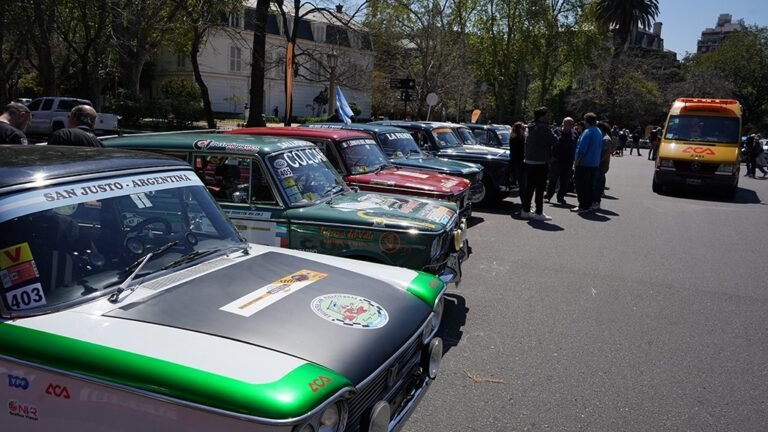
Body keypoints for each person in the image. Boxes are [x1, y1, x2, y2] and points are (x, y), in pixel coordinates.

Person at [519, 106, 555, 221]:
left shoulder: (531, 126)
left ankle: (525, 210)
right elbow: (554, 141)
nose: (549, 117)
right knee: (540, 188)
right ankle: (539, 212)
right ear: (542, 116)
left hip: (529, 160)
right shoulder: (543, 127)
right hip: (540, 161)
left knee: (530, 187)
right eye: (548, 115)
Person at [572, 113, 602, 214]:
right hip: (594, 163)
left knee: (581, 186)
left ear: (586, 121)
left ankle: (582, 206)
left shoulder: (587, 132)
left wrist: (576, 162)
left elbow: (581, 149)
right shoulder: (598, 131)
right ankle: (588, 205)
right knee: (589, 186)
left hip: (584, 163)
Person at [545, 117, 576, 205]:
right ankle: (548, 196)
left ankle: (560, 197)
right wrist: (550, 156)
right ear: (563, 124)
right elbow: (549, 144)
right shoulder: (556, 131)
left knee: (565, 180)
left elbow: (576, 145)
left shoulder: (574, 133)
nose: (571, 126)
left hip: (568, 161)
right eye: (569, 123)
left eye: (572, 124)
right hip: (556, 160)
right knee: (553, 180)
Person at [593, 122, 616, 210]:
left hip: (601, 164)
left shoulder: (606, 139)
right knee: (597, 183)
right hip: (600, 164)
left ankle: (596, 202)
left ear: (601, 129)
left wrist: (597, 162)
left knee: (597, 184)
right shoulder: (602, 137)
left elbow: (605, 153)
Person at [508, 121, 526, 193]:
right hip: (517, 160)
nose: (524, 129)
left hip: (519, 159)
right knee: (519, 175)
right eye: (523, 128)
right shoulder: (515, 139)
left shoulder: (520, 137)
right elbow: (517, 151)